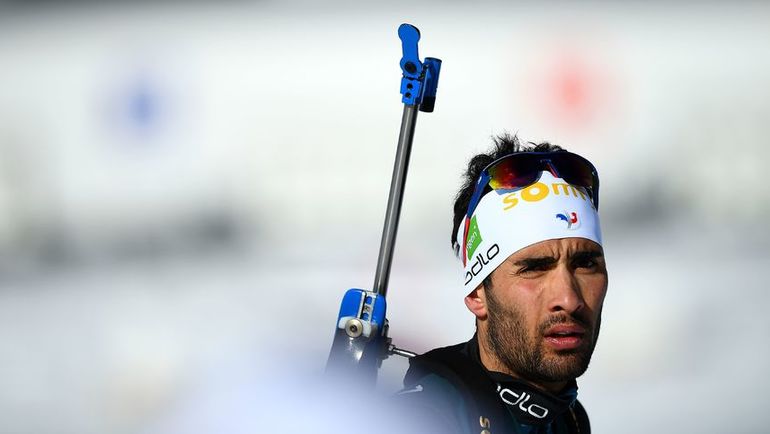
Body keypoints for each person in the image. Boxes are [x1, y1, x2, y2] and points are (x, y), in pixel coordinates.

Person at [395, 133, 607, 434]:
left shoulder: (569, 419)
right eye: (535, 268)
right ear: (476, 293)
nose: (569, 300)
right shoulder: (421, 419)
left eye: (585, 264)